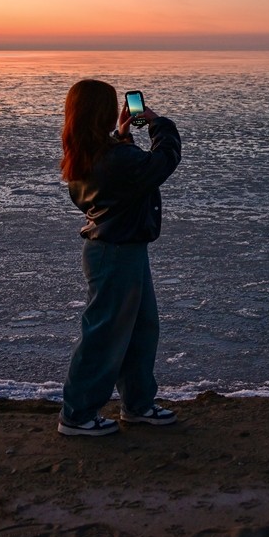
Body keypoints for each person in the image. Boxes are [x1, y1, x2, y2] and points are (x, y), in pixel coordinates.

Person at [57, 79, 182, 436]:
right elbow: (164, 160)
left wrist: (125, 135)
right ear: (103, 112)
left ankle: (138, 404)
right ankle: (77, 414)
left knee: (141, 330)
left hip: (120, 249)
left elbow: (125, 176)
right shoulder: (113, 158)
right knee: (104, 335)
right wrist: (158, 122)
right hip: (115, 253)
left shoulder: (87, 153)